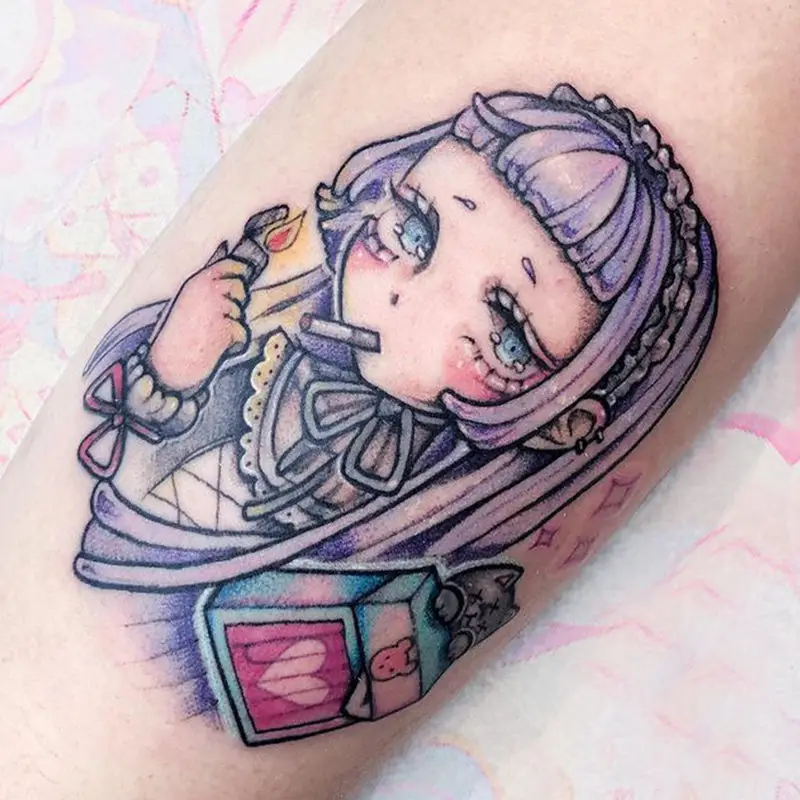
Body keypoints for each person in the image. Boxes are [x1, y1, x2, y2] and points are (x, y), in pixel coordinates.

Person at [0, 1, 798, 798]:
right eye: (415, 230)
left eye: (506, 334)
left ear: (565, 416)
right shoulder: (261, 336)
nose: (411, 298)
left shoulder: (403, 561)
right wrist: (171, 375)